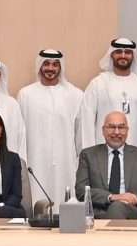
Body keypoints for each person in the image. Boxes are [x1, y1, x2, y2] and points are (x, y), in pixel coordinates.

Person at [15, 50, 85, 210]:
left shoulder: (75, 94)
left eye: (55, 64)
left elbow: (80, 134)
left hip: (66, 162)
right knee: (36, 204)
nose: (50, 68)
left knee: (66, 203)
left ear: (61, 67)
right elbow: (20, 134)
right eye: (46, 63)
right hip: (34, 162)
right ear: (40, 65)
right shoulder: (25, 94)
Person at [74, 111, 137, 220]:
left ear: (127, 131)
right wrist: (113, 197)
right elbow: (81, 191)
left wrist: (136, 198)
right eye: (112, 127)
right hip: (98, 212)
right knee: (116, 206)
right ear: (103, 130)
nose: (117, 132)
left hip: (132, 211)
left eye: (121, 127)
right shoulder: (88, 155)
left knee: (117, 207)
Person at [80, 37, 137, 153]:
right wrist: (90, 155)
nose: (123, 55)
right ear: (111, 55)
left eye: (127, 52)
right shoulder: (98, 84)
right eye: (119, 52)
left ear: (133, 56)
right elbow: (87, 122)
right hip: (104, 154)